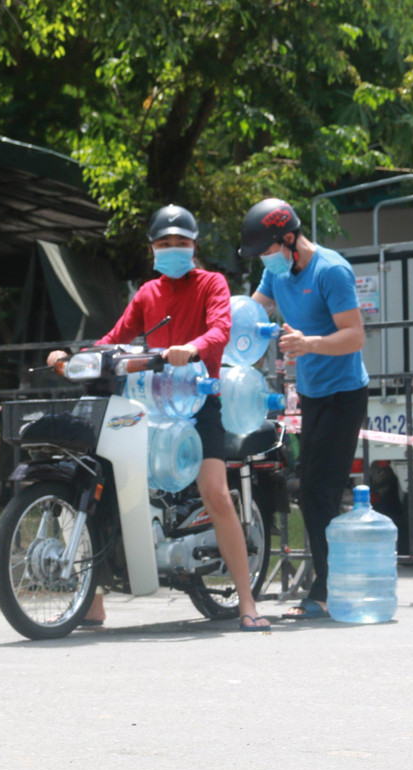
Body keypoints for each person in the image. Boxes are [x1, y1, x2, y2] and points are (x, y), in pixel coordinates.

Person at [47, 204, 270, 632]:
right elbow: (114, 339)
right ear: (152, 248)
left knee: (215, 492)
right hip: (150, 401)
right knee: (96, 484)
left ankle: (247, 603)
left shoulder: (211, 283)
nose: (172, 249)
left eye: (180, 242)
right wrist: (73, 357)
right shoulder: (147, 293)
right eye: (164, 243)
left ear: (194, 246)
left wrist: (193, 347)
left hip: (199, 399)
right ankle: (90, 602)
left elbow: (220, 330)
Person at [239, 197, 368, 619]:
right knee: (311, 489)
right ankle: (339, 580)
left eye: (267, 249)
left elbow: (355, 336)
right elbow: (254, 309)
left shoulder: (331, 271)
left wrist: (308, 343)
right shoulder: (276, 271)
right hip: (312, 394)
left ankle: (327, 591)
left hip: (344, 394)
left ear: (290, 239)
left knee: (318, 490)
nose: (265, 258)